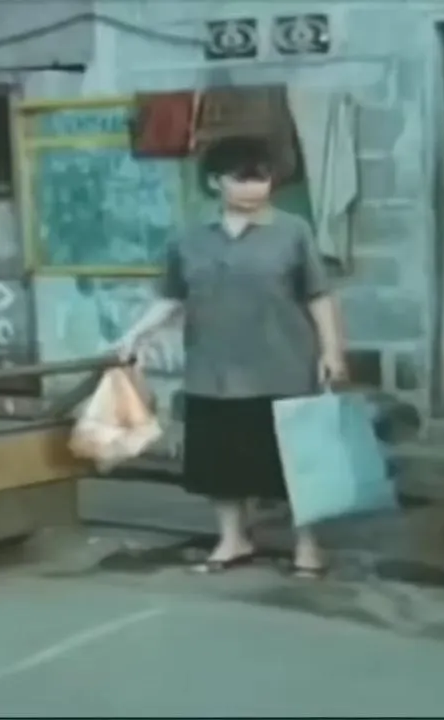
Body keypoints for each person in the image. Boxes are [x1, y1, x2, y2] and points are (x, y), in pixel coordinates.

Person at [116, 135, 347, 579]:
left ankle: (307, 545)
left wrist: (332, 351)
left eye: (261, 179)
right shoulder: (189, 237)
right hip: (213, 368)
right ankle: (232, 538)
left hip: (284, 365)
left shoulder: (292, 231)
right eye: (241, 180)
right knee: (219, 463)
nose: (253, 189)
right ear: (215, 182)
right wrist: (135, 334)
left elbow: (319, 295)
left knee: (297, 464)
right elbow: (171, 297)